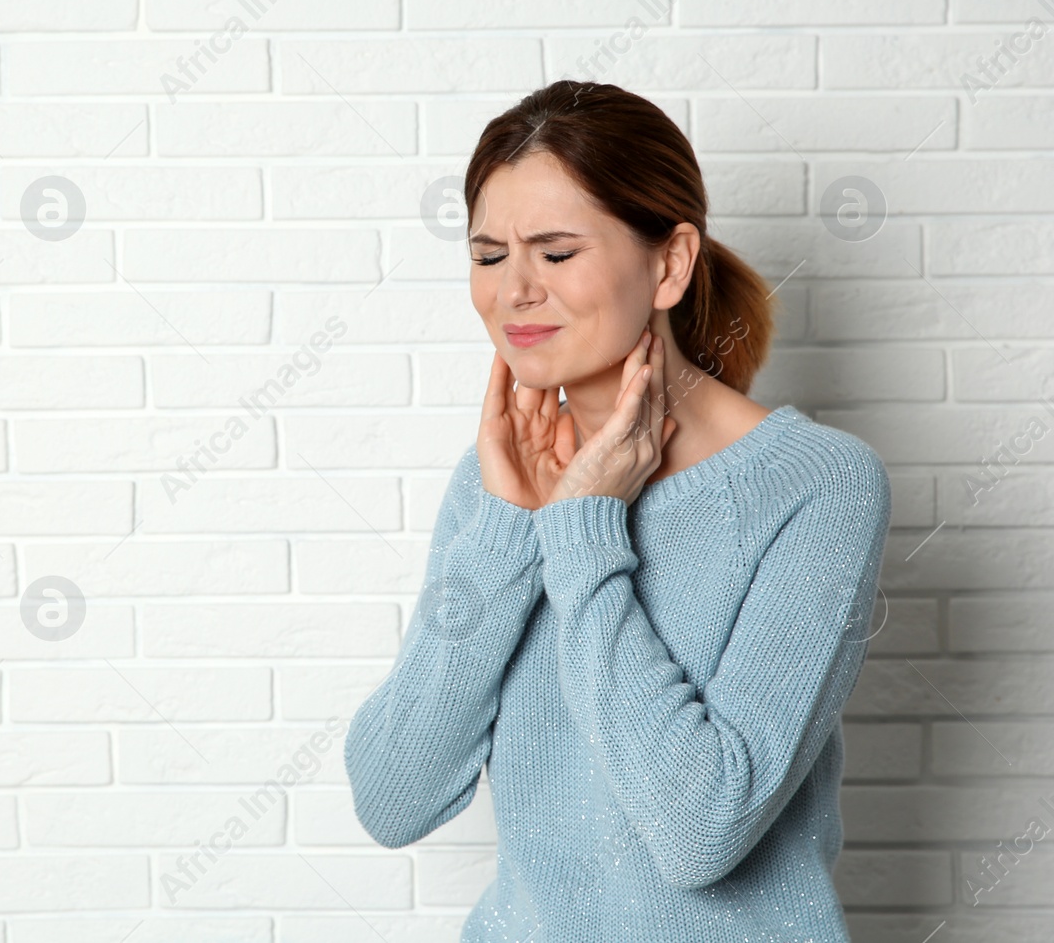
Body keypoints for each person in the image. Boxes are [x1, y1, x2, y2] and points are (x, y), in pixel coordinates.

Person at [344, 80, 892, 942]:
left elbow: (700, 829)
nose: (514, 291)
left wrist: (579, 529)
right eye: (489, 256)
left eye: (556, 253)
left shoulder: (817, 485)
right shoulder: (494, 485)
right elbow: (392, 795)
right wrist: (506, 527)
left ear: (670, 263)